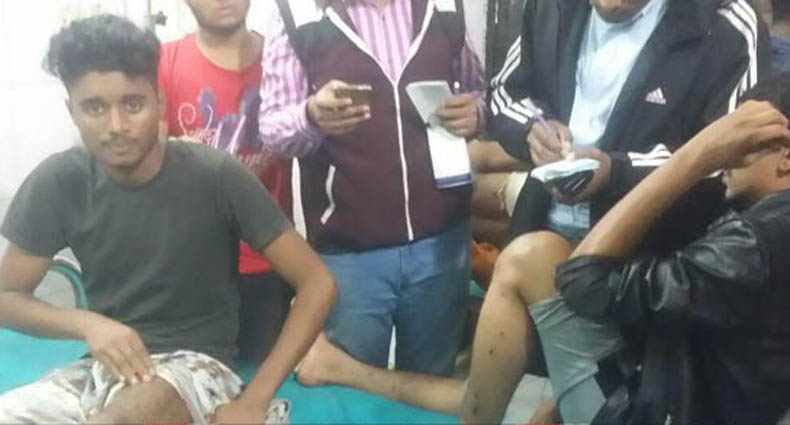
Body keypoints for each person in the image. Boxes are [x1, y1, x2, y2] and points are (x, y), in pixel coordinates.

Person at [0, 15, 335, 424]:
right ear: (71, 110)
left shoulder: (215, 175)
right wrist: (89, 324)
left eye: (133, 104)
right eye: (95, 108)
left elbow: (317, 282)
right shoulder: (59, 181)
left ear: (160, 101)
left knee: (133, 415)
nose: (116, 126)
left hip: (197, 367)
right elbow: (7, 298)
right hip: (104, 367)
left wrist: (255, 400)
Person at [460, 0, 770, 422]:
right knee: (528, 394)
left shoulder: (726, 24)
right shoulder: (549, 8)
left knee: (611, 403)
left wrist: (616, 172)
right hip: (544, 234)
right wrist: (533, 128)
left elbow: (731, 158)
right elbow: (506, 93)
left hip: (643, 278)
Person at [518, 74, 790, 424]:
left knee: (528, 261)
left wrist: (695, 156)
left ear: (785, 156)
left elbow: (582, 280)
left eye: (742, 144)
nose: (727, 157)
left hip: (673, 411)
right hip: (700, 392)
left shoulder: (753, 244)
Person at [262, 0, 487, 377]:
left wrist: (476, 113)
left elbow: (477, 90)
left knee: (431, 383)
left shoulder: (446, 5)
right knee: (347, 384)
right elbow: (271, 129)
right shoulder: (297, 13)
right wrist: (310, 116)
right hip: (349, 252)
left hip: (443, 244)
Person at [158, 0, 294, 363]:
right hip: (192, 267)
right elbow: (146, 161)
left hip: (270, 264)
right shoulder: (164, 63)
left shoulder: (283, 60)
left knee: (264, 384)